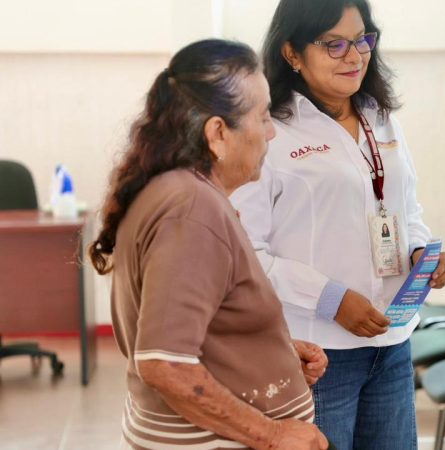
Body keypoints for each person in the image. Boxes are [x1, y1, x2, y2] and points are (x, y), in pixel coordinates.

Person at [230, 1, 445, 448]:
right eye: (334, 45)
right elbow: (245, 254)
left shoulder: (380, 116)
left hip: (392, 342)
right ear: (292, 53)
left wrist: (420, 252)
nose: (353, 56)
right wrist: (331, 300)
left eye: (361, 40)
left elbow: (406, 208)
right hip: (317, 353)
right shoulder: (271, 130)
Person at [88, 39, 330, 450]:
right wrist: (271, 435)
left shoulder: (178, 190)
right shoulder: (192, 210)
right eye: (262, 116)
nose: (271, 132)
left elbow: (193, 323)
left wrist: (271, 352)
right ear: (218, 133)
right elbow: (164, 363)